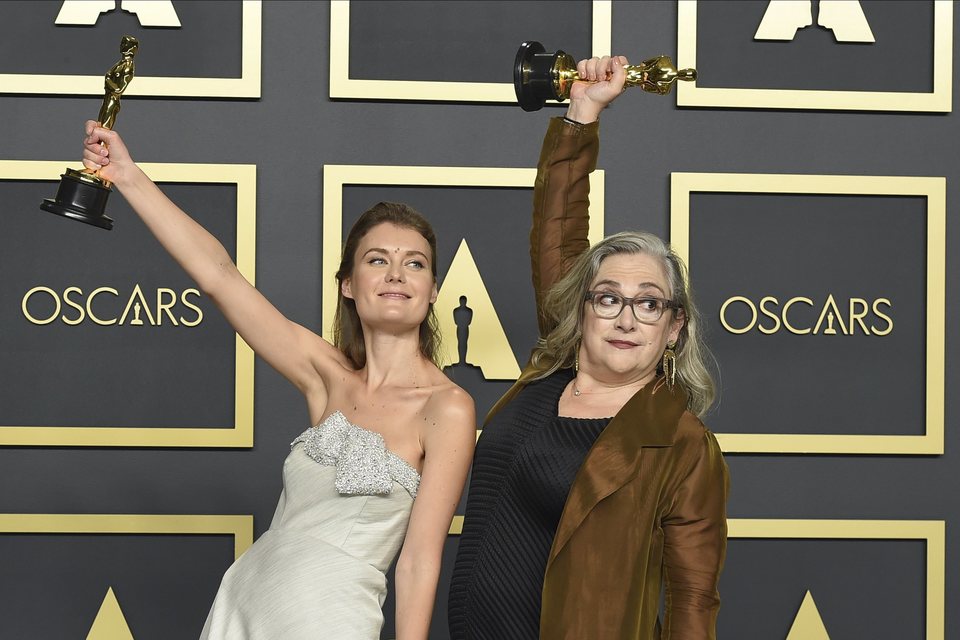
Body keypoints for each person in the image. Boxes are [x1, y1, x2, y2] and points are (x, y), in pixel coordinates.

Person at [80, 124, 476, 639]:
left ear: (433, 290)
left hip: (330, 616)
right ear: (349, 286)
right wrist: (127, 177)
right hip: (248, 600)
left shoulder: (447, 408)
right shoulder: (325, 376)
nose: (396, 274)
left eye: (414, 264)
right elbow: (219, 275)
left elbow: (420, 561)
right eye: (377, 260)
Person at [448, 55, 728, 639]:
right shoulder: (550, 368)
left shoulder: (682, 444)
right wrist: (583, 111)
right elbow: (558, 227)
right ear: (582, 309)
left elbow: (693, 602)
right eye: (608, 298)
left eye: (649, 302)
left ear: (674, 327)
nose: (626, 316)